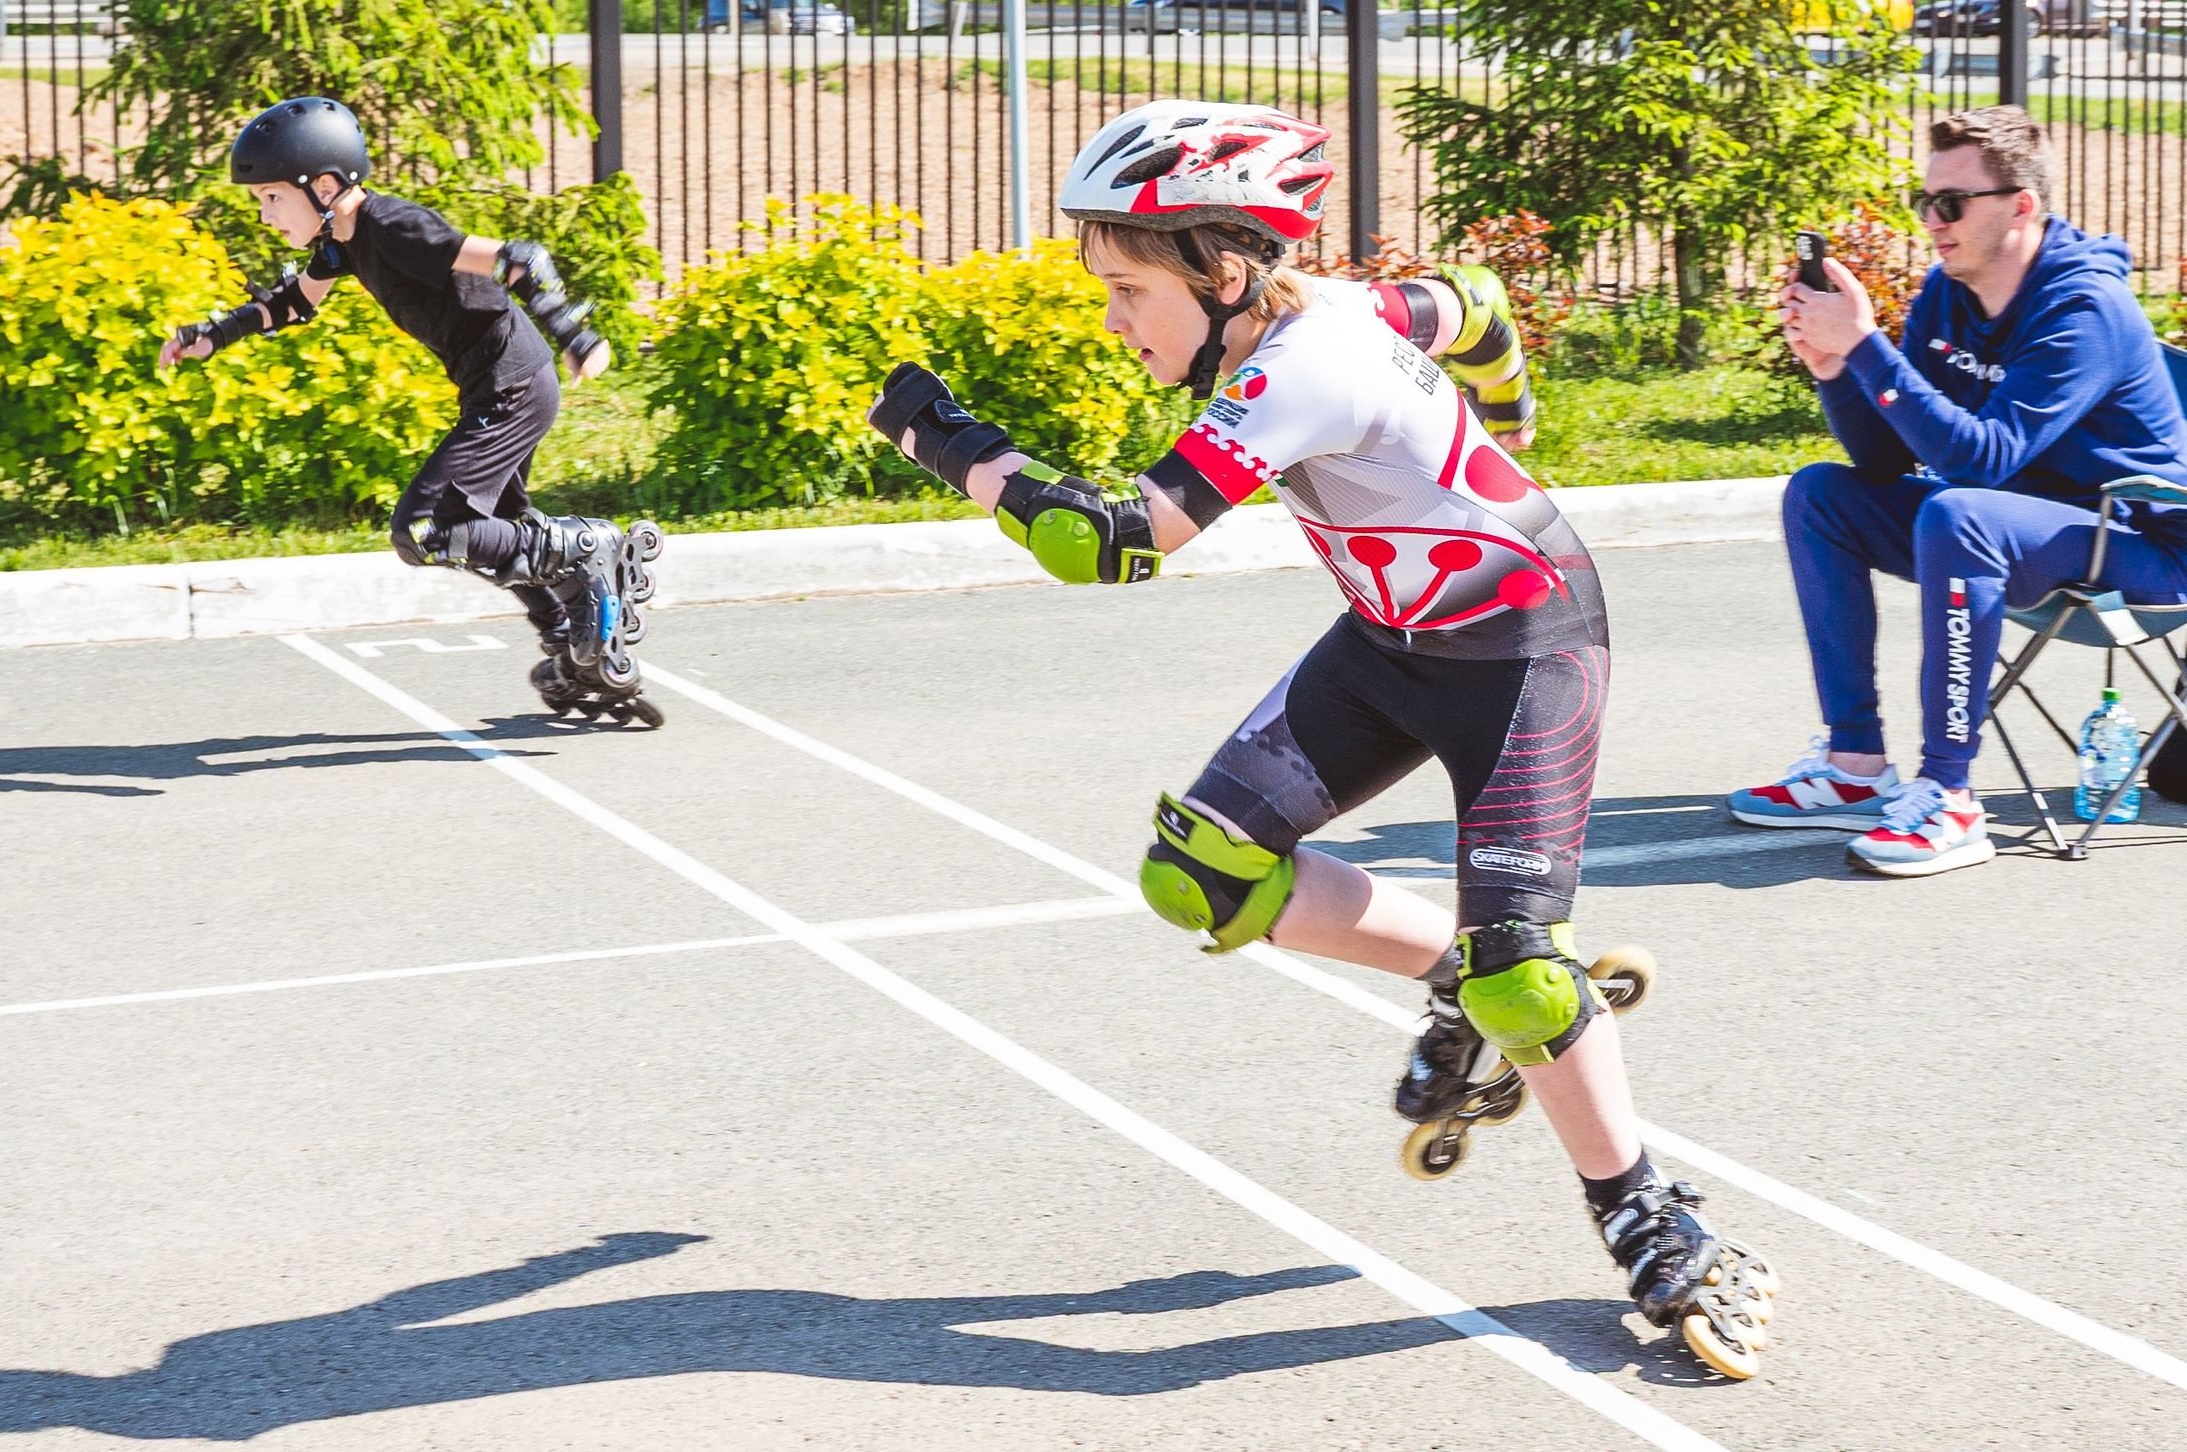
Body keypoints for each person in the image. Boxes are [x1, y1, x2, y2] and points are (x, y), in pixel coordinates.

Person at [867, 98, 1779, 1380]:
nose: (1116, 320)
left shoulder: (1298, 367)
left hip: (1527, 651)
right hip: (1392, 641)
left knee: (1531, 974)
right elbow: (1472, 303)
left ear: (1227, 271)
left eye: (1130, 289)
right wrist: (1507, 432)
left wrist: (944, 442)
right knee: (1197, 875)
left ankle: (1648, 1213)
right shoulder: (1337, 307)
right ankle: (1454, 980)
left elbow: (1110, 545)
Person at [1733, 106, 2187, 872]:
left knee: (1958, 511)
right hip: (2022, 524)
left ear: (2020, 206)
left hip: (2141, 544)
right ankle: (1855, 766)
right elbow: (1882, 455)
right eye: (1926, 203)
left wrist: (1867, 345)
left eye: (1951, 203)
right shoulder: (1949, 294)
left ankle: (1950, 794)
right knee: (1821, 495)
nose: (1933, 221)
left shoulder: (2083, 310)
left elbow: (1982, 462)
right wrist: (1835, 369)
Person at [158, 97, 665, 726]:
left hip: (513, 385)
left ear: (323, 186)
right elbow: (292, 304)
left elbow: (520, 260)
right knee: (490, 530)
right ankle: (569, 635)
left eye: (269, 198)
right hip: (492, 386)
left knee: (425, 529)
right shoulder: (342, 242)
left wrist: (573, 334)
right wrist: (212, 335)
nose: (264, 216)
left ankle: (588, 550)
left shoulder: (394, 226)